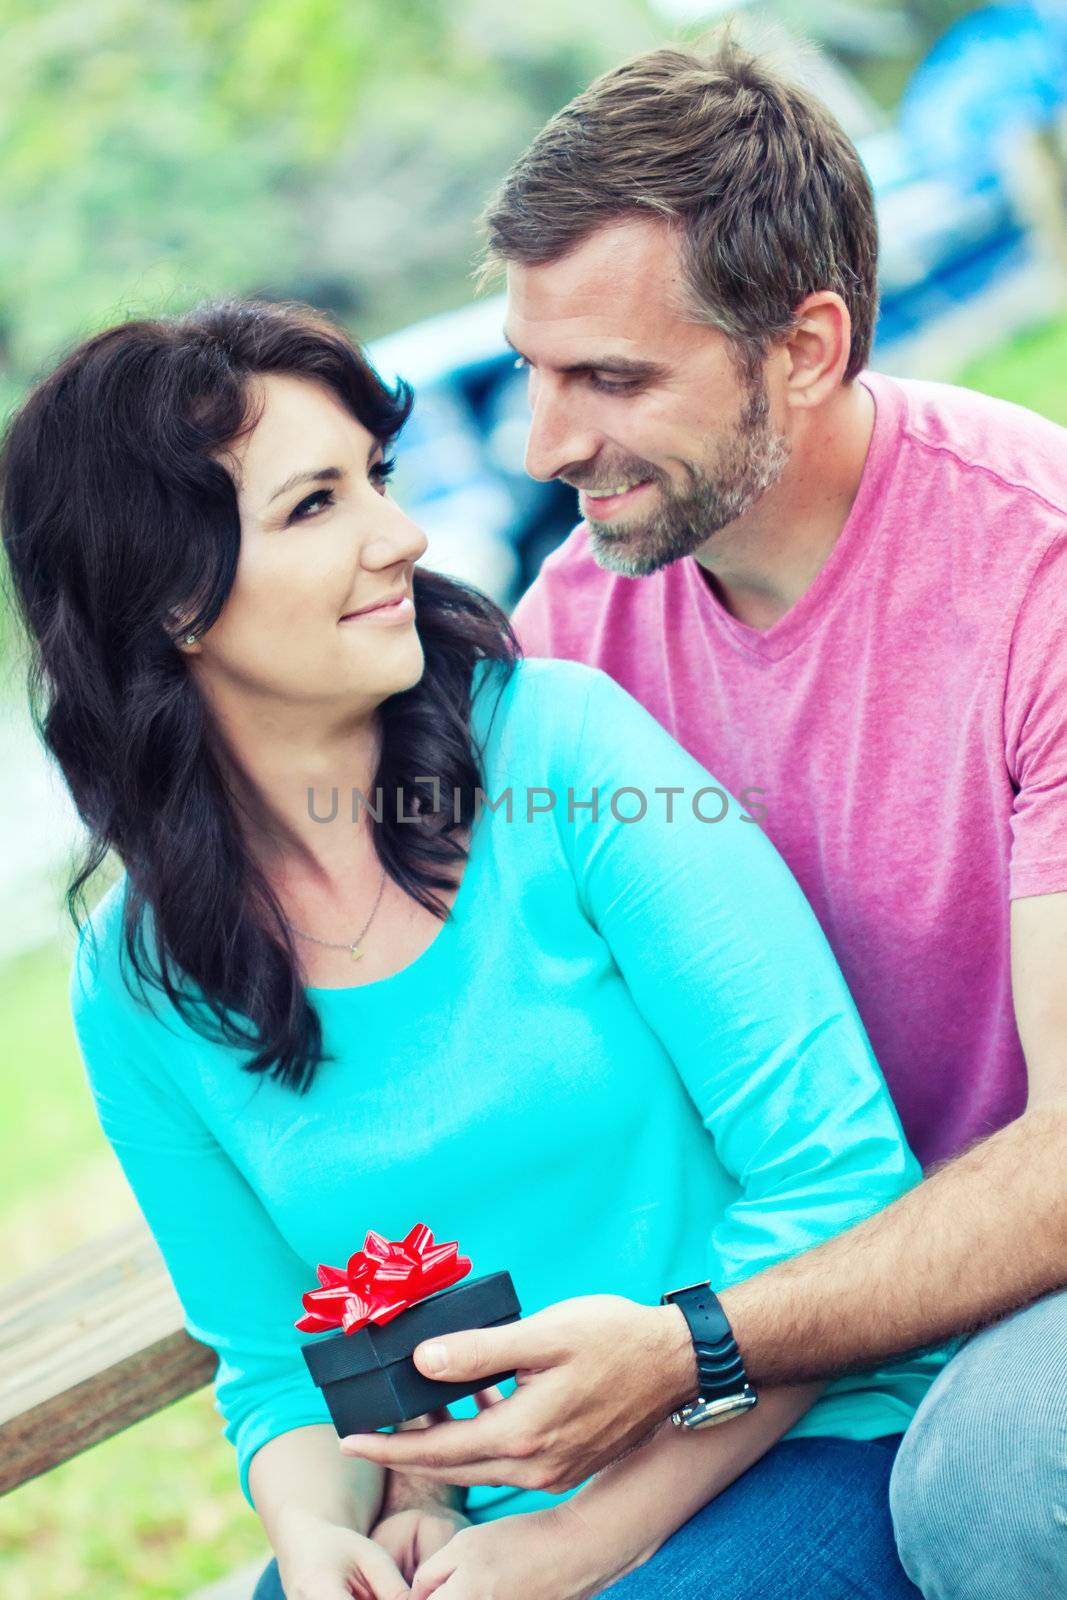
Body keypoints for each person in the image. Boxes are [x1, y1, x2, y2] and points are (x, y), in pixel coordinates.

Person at [0, 297, 941, 1600]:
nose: (404, 535)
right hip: (476, 1533)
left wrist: (576, 1540)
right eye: (315, 506)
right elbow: (278, 1369)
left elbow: (842, 1184)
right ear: (168, 599)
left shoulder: (566, 758)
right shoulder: (135, 984)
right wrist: (319, 1536)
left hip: (789, 1427)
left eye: (374, 480)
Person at [352, 35, 1067, 1600]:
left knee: (996, 1479)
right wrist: (402, 1458)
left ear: (805, 346)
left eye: (612, 380)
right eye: (536, 370)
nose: (546, 445)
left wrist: (695, 1351)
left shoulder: (1042, 577)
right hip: (773, 1328)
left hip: (1017, 1298)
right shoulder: (571, 631)